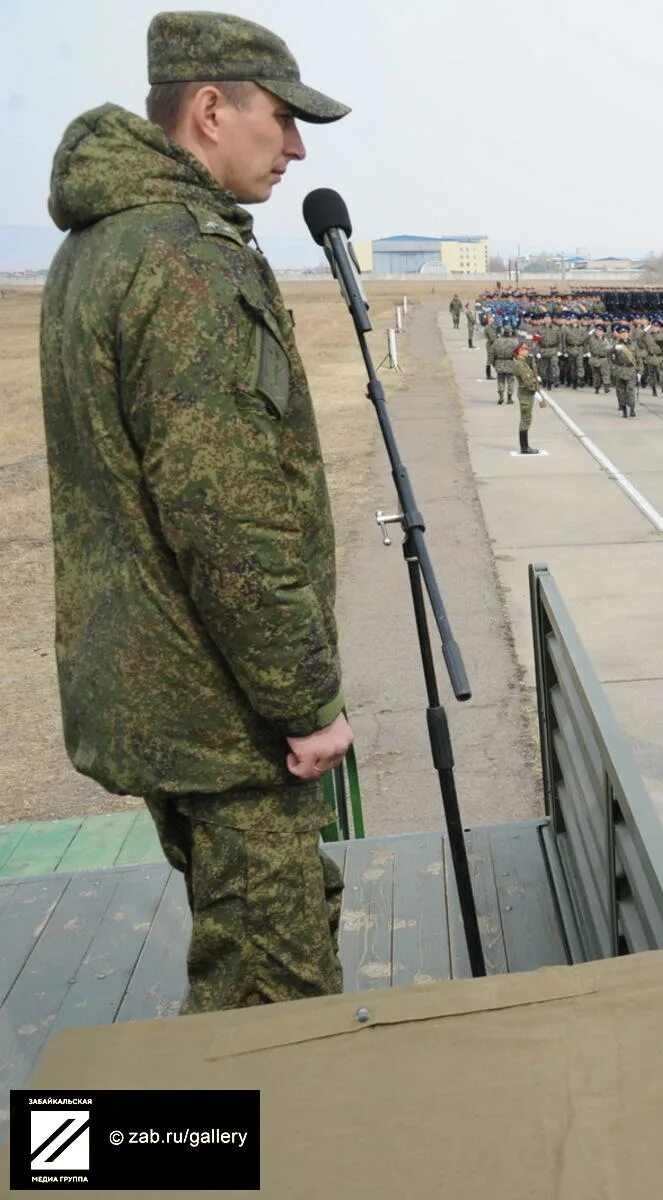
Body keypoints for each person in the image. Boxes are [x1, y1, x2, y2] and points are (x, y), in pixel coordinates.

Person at [40, 10, 353, 1014]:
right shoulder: (187, 262)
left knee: (252, 953)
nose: (297, 148)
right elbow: (225, 513)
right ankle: (205, 1160)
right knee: (274, 1010)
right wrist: (303, 704)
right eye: (282, 119)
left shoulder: (100, 245)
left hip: (158, 688)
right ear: (211, 110)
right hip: (220, 708)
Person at [506, 342, 546, 454]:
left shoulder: (523, 362)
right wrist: (536, 390)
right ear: (519, 351)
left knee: (526, 419)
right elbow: (527, 382)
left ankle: (525, 446)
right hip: (526, 394)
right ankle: (524, 447)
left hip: (526, 393)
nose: (527, 351)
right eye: (525, 349)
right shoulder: (520, 364)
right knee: (525, 420)